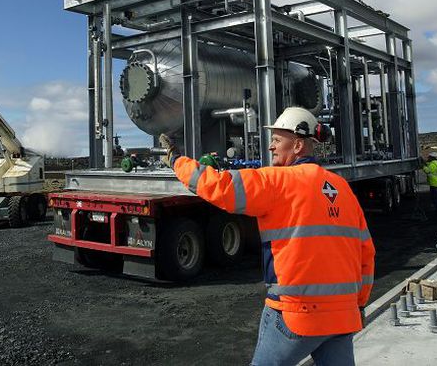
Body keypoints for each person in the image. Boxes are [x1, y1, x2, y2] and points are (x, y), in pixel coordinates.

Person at [160, 107, 375, 366]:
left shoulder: (276, 182)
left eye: (276, 140)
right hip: (343, 316)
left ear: (297, 145)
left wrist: (176, 161)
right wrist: (358, 303)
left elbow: (219, 186)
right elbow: (366, 254)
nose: (271, 147)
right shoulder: (342, 188)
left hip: (297, 314)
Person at [422, 151, 437, 218]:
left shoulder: (433, 165)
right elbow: (428, 164)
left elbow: (427, 170)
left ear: (432, 158)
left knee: (436, 199)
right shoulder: (434, 163)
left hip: (434, 184)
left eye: (429, 157)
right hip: (436, 184)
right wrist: (424, 162)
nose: (428, 158)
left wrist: (422, 166)